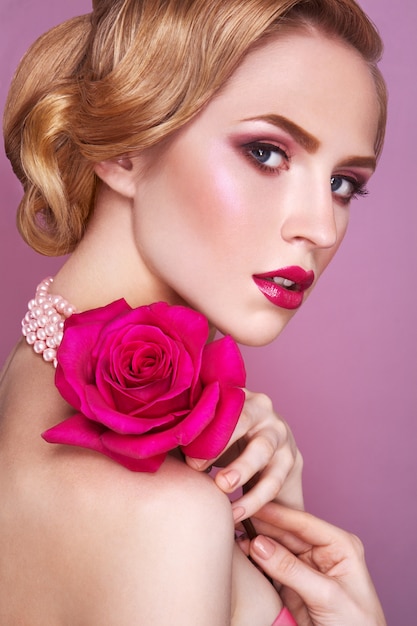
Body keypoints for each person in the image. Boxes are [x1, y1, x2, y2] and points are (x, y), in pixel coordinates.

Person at [0, 0, 387, 624]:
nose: (319, 227)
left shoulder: (20, 383)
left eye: (343, 182)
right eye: (266, 152)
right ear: (125, 148)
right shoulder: (169, 521)